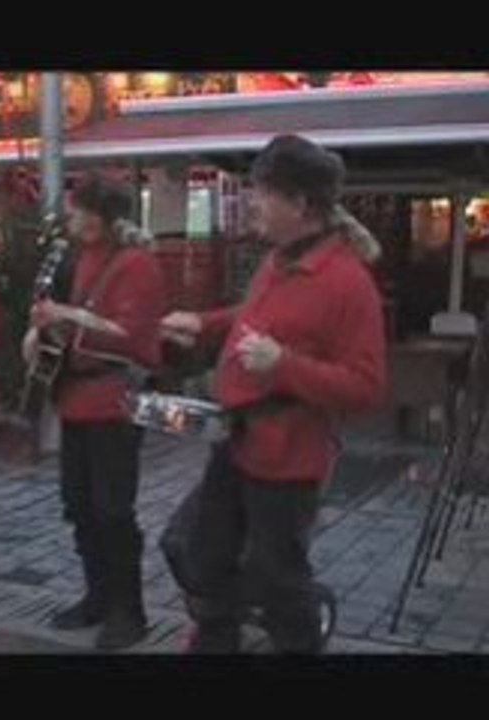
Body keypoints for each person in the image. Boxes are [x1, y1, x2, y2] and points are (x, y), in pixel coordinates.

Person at [161, 134, 387, 653]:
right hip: (237, 442)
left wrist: (284, 365)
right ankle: (217, 639)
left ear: (300, 204)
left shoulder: (347, 282)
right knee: (200, 554)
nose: (252, 202)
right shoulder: (278, 261)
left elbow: (367, 387)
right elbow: (251, 320)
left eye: (263, 192)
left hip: (288, 460)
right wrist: (203, 324)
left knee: (280, 584)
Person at [23, 173, 165, 650]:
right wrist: (39, 333)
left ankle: (130, 610)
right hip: (75, 397)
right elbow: (56, 315)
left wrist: (67, 317)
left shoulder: (137, 264)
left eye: (79, 209)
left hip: (115, 401)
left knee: (113, 509)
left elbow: (131, 335)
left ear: (102, 217)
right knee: (79, 504)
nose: (71, 217)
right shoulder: (74, 256)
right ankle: (98, 596)